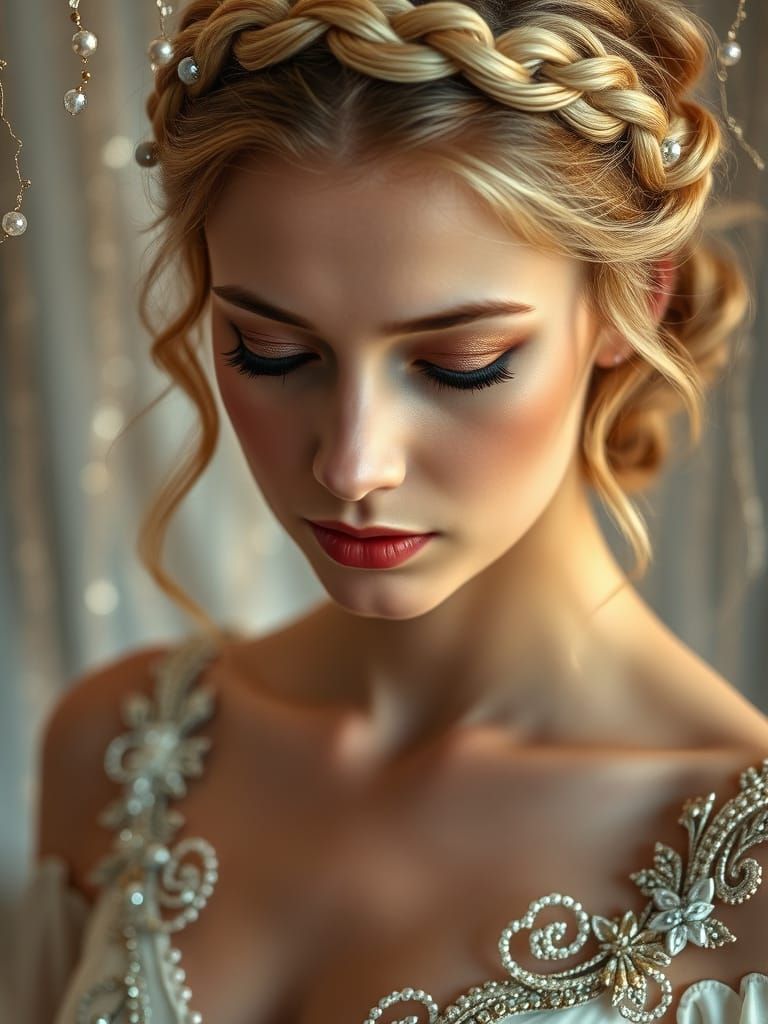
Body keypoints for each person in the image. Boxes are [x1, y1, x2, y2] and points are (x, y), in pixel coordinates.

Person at [11, 0, 768, 1021]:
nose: (352, 463)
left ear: (632, 301)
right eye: (271, 353)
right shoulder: (110, 752)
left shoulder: (749, 873)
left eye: (461, 365)